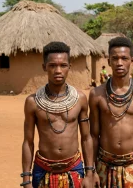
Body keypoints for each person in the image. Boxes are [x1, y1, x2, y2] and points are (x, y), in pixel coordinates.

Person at [21, 42, 94, 188]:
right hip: (43, 169)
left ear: (69, 67)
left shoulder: (80, 99)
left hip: (74, 168)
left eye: (63, 65)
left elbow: (86, 137)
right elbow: (28, 142)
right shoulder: (33, 102)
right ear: (44, 67)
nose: (58, 70)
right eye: (52, 65)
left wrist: (90, 173)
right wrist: (26, 178)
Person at [89, 37, 133, 188]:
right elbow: (93, 136)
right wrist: (91, 170)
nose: (119, 63)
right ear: (109, 61)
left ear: (131, 60)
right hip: (104, 165)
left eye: (124, 58)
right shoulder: (97, 94)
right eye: (115, 58)